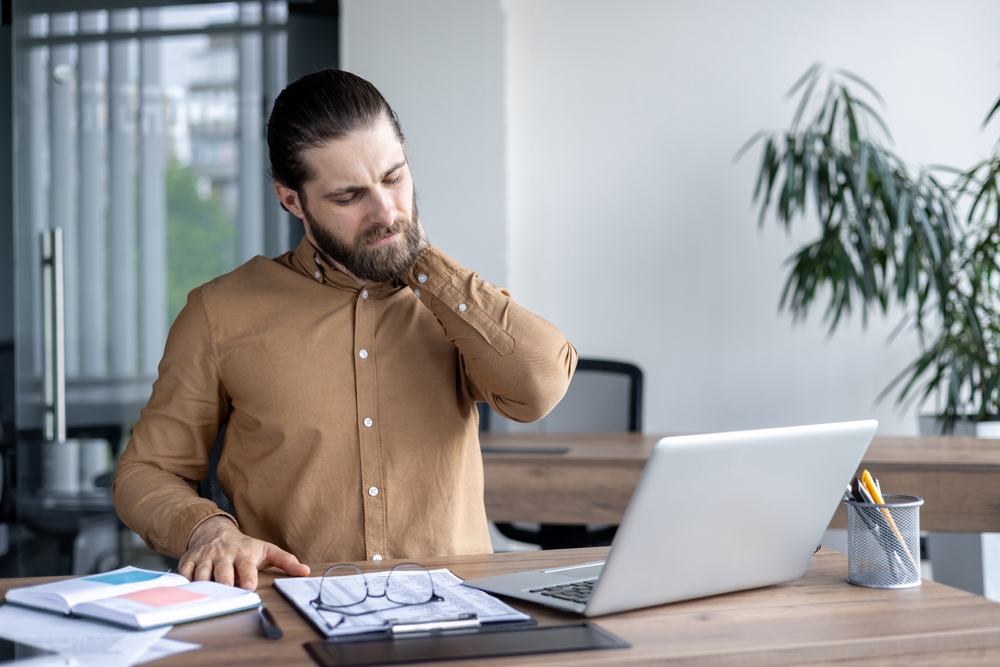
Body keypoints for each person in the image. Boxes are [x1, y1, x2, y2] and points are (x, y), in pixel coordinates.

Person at [112, 69, 577, 591]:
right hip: (293, 617)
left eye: (394, 177)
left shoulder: (455, 304)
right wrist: (208, 530)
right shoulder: (219, 313)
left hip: (454, 614)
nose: (386, 212)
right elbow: (146, 470)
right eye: (349, 196)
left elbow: (538, 388)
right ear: (293, 201)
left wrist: (422, 264)